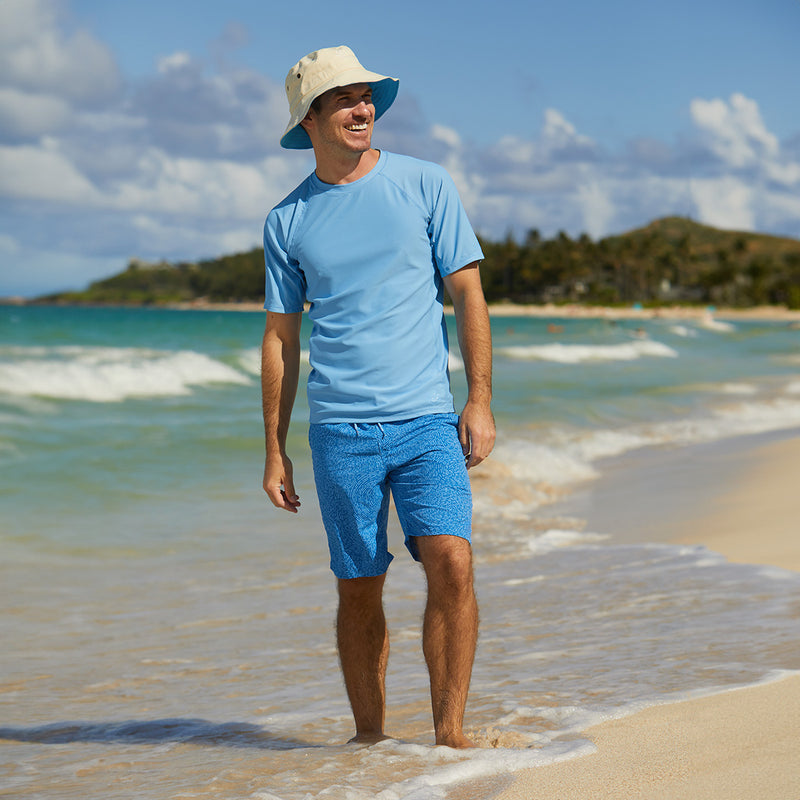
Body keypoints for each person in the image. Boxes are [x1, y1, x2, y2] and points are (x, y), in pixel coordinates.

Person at [260, 45, 495, 749]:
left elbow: (467, 293)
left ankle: (449, 738)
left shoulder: (425, 184)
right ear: (310, 120)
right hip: (341, 430)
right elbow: (280, 339)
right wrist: (274, 449)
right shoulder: (287, 220)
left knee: (452, 559)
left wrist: (478, 400)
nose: (363, 109)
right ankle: (370, 746)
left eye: (367, 97)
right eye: (345, 100)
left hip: (426, 417)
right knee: (358, 585)